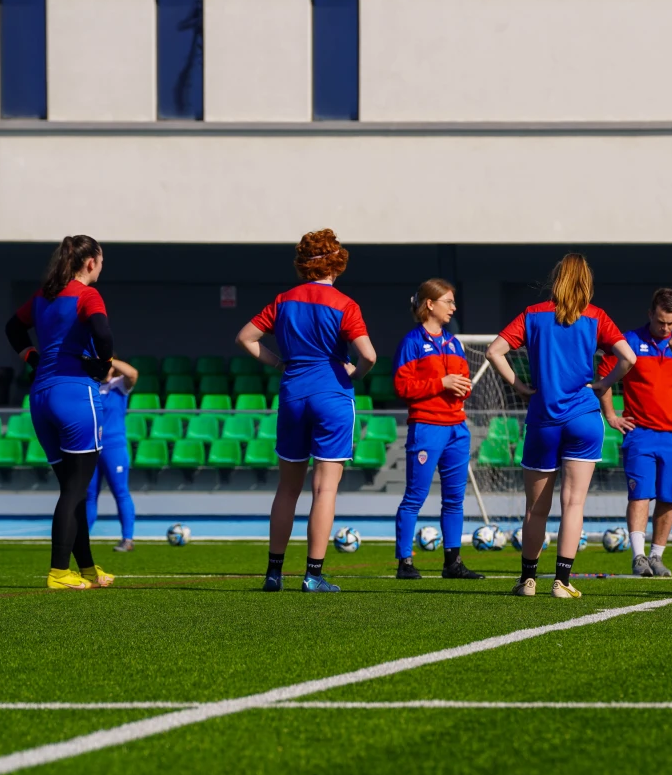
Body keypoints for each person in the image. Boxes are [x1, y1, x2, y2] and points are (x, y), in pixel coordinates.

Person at [487, 254, 635, 599]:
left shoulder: (532, 314)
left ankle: (527, 581)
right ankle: (562, 582)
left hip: (543, 419)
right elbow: (629, 358)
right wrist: (602, 384)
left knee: (535, 508)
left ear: (556, 279)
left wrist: (519, 386)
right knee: (573, 505)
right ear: (586, 281)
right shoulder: (596, 316)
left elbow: (495, 351)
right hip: (584, 418)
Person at [237, 229, 376, 594]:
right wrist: (353, 374)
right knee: (324, 489)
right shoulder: (345, 304)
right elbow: (369, 355)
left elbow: (246, 338)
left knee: (287, 488)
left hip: (293, 393)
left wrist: (279, 364)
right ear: (337, 262)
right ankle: (313, 575)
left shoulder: (283, 300)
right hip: (332, 395)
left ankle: (273, 574)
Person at [6, 236, 118, 591]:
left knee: (74, 489)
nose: (101, 267)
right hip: (74, 394)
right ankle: (58, 571)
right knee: (74, 490)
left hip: (40, 397)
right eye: (101, 262)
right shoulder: (87, 295)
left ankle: (85, 568)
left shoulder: (44, 296)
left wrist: (31, 356)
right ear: (90, 263)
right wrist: (102, 364)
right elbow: (103, 332)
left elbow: (13, 327)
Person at [599, 288, 672, 578]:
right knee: (640, 496)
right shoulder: (630, 341)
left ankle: (657, 556)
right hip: (640, 434)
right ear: (650, 313)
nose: (666, 328)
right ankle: (638, 557)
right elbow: (603, 377)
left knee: (668, 498)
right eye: (661, 321)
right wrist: (611, 415)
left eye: (671, 323)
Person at [391, 278, 482, 581]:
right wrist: (441, 383)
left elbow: (465, 383)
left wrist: (461, 388)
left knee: (455, 499)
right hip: (427, 427)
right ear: (430, 304)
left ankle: (452, 563)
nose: (453, 307)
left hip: (457, 428)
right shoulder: (412, 342)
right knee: (415, 496)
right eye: (448, 301)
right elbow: (402, 386)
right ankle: (405, 562)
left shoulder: (454, 342)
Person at [86, 358, 139, 552]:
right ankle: (83, 538)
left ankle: (127, 539)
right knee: (89, 495)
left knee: (120, 491)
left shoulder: (119, 386)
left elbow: (132, 374)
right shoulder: (89, 386)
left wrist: (107, 358)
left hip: (114, 447)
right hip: (90, 447)